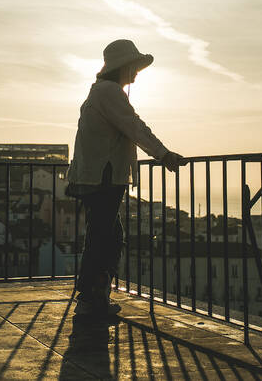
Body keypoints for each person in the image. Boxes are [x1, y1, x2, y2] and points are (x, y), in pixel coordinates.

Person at [66, 39, 183, 317]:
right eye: (134, 66)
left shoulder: (101, 91)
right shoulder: (110, 92)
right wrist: (163, 154)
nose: (137, 73)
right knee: (105, 237)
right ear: (124, 66)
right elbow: (134, 126)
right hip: (103, 177)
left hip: (96, 176)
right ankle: (91, 298)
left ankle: (93, 296)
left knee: (104, 235)